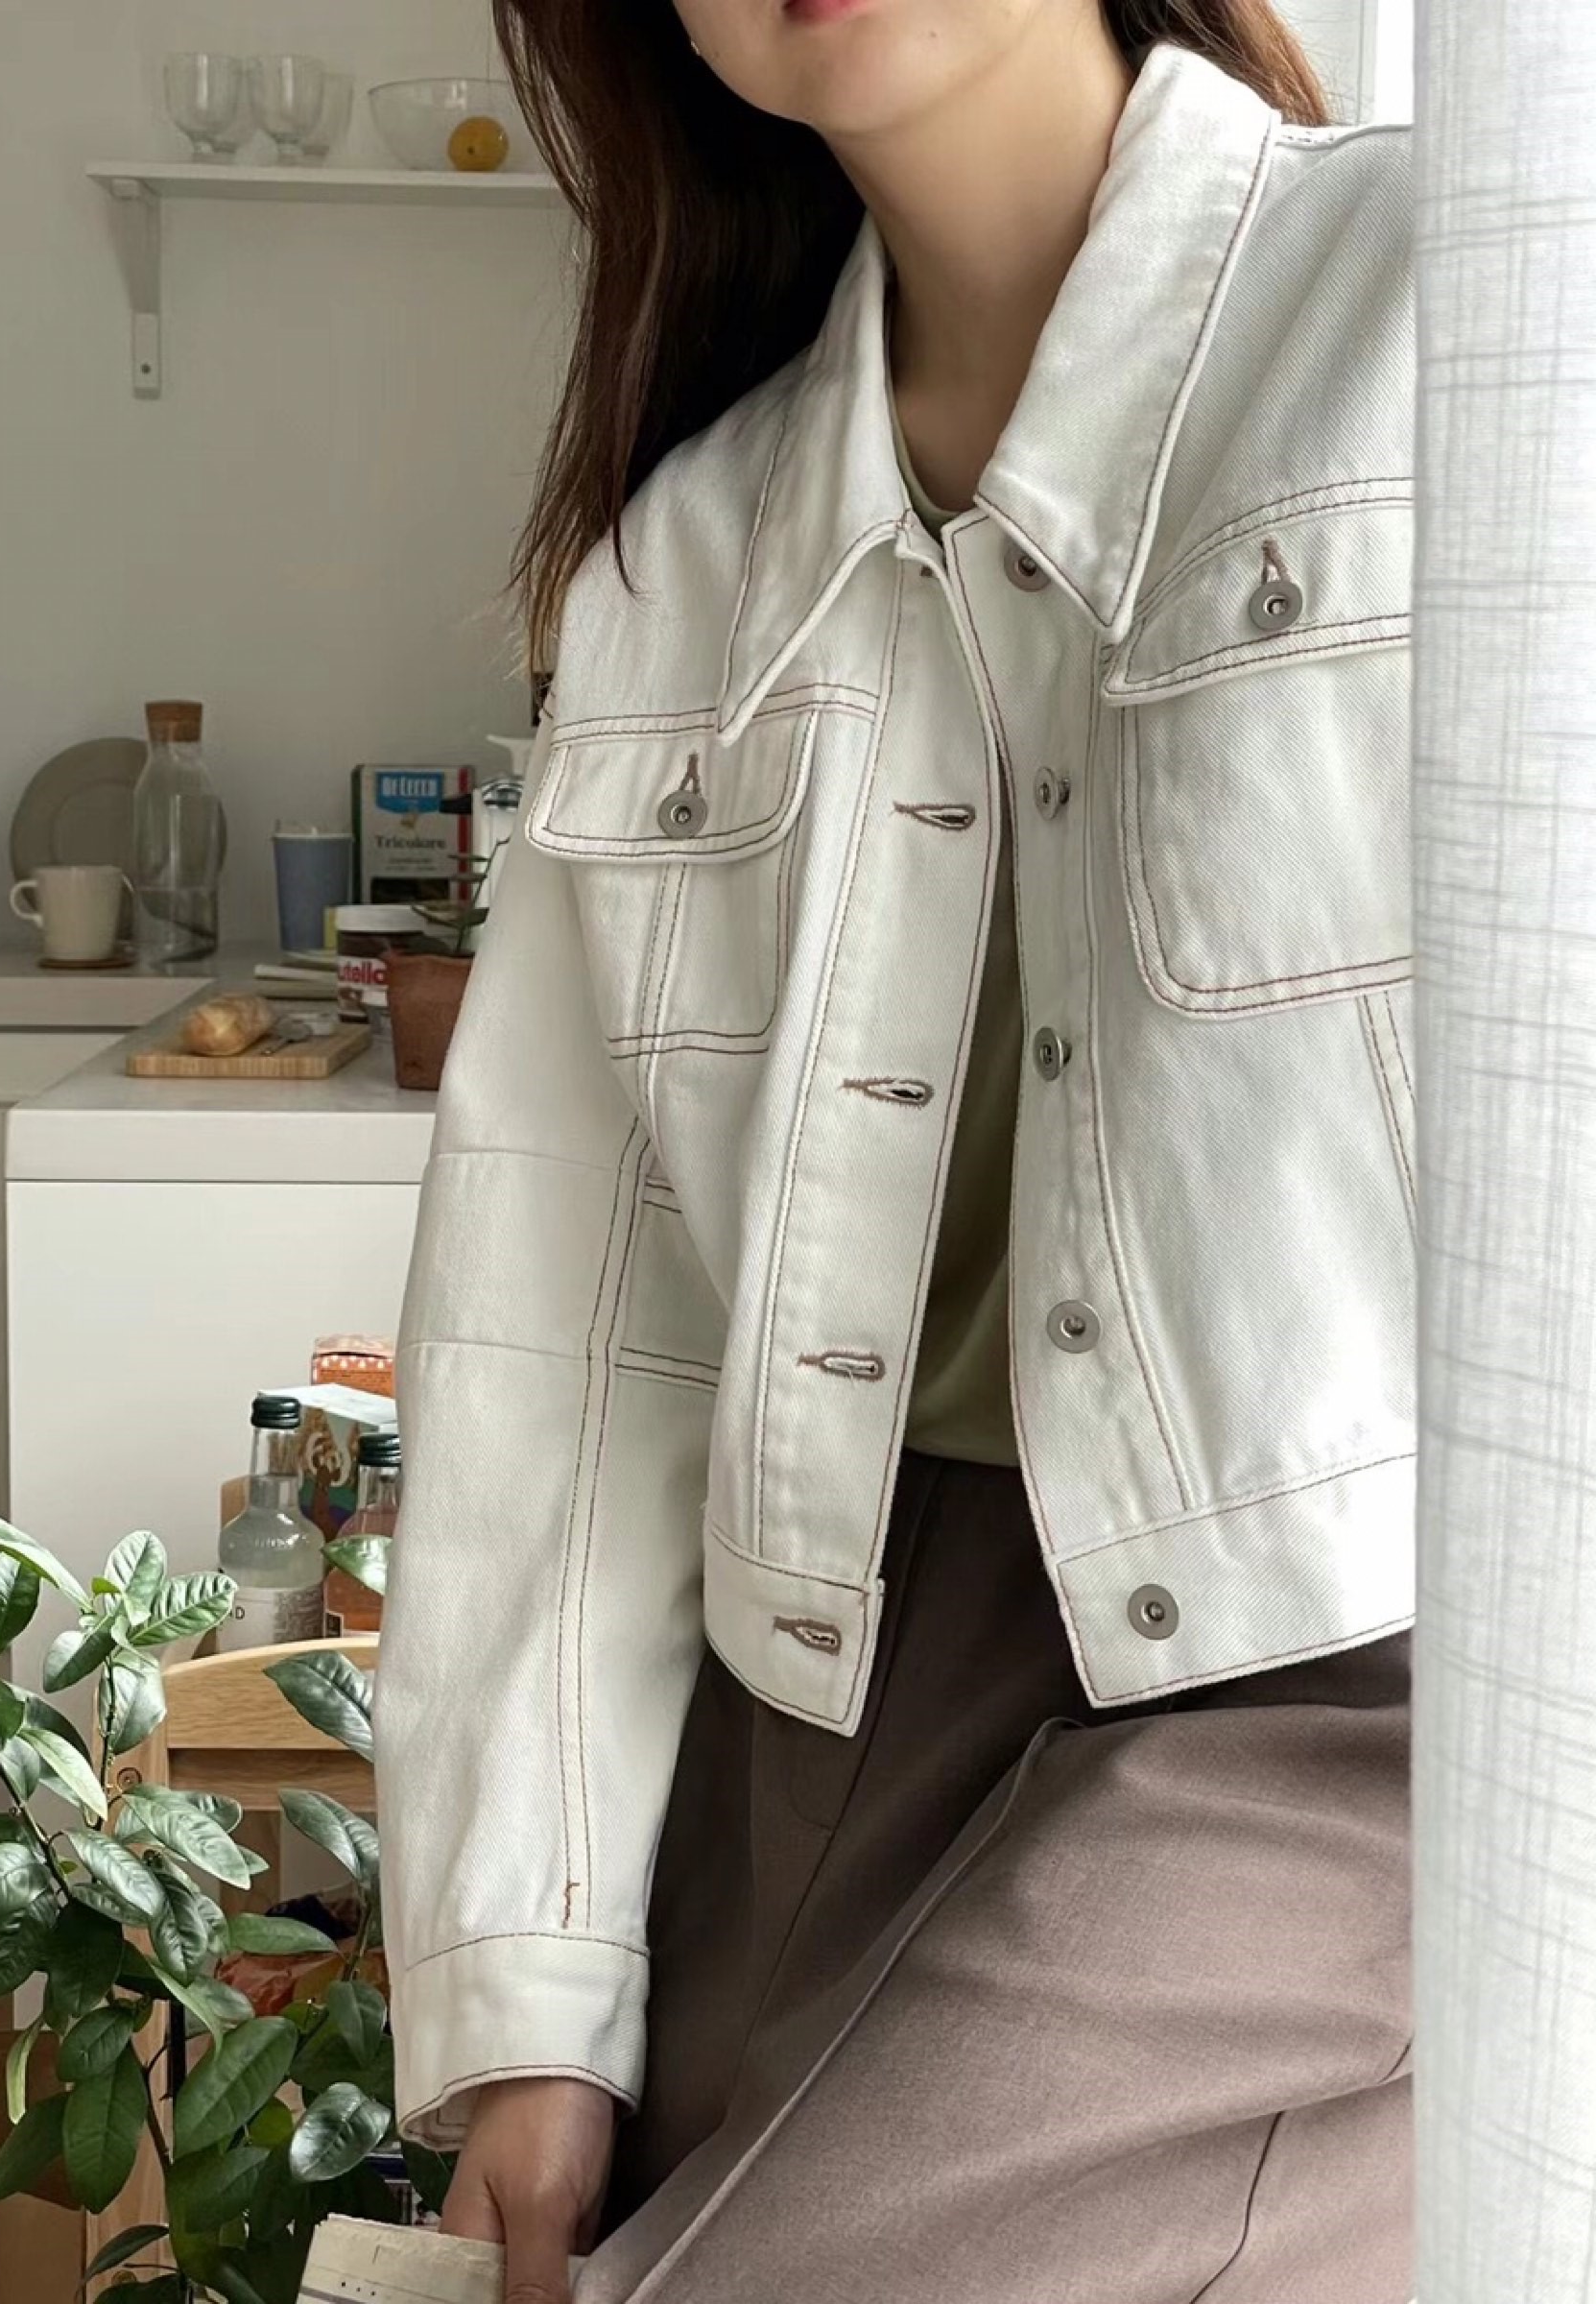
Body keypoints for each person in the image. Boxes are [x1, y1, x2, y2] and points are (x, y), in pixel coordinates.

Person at [371, 3, 1417, 2298]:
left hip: (1346, 1674)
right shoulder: (682, 566)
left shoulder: (1449, 313)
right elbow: (574, 1323)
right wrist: (534, 1986)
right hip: (827, 1666)